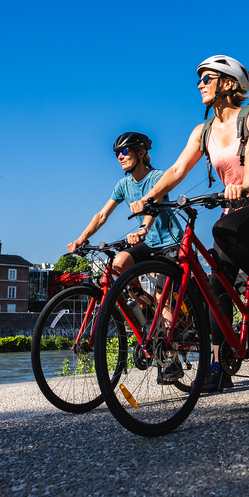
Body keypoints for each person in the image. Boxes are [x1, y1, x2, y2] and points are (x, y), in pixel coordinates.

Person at [130, 55, 249, 391]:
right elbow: (177, 171)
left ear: (229, 83)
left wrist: (246, 183)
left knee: (222, 229)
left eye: (207, 78)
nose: (200, 85)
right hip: (234, 211)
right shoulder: (202, 131)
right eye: (200, 80)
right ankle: (218, 368)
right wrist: (150, 197)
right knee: (215, 289)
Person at [67, 132, 184, 381]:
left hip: (169, 242)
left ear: (141, 153)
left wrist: (143, 229)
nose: (120, 156)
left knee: (162, 297)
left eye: (125, 151)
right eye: (117, 153)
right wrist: (81, 238)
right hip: (147, 243)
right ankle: (143, 310)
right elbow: (102, 215)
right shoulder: (123, 185)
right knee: (118, 263)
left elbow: (154, 203)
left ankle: (171, 361)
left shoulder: (157, 177)